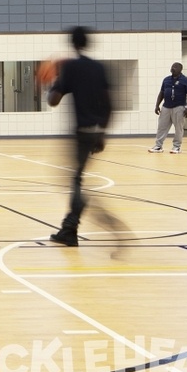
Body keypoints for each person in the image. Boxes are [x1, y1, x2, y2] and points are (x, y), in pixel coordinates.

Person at [47, 26, 120, 247]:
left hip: (80, 134)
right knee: (76, 179)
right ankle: (69, 228)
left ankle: (84, 225)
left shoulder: (70, 68)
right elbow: (110, 105)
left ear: (72, 43)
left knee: (74, 182)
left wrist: (52, 83)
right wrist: (102, 133)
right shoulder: (99, 68)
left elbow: (53, 100)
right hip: (95, 131)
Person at [149, 62, 187, 154]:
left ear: (180, 69)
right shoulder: (166, 80)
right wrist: (157, 105)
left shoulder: (186, 81)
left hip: (179, 107)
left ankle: (176, 147)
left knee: (178, 128)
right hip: (166, 107)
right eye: (172, 67)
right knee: (162, 127)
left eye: (175, 67)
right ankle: (158, 146)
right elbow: (161, 93)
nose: (173, 68)